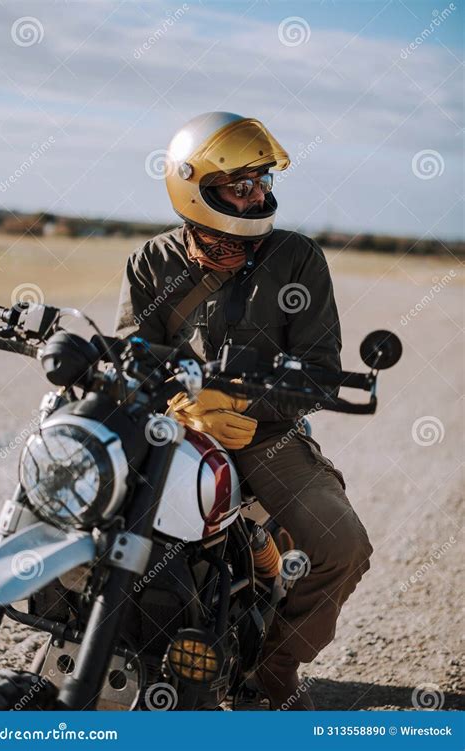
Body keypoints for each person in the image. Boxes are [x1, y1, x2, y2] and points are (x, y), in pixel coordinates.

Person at [114, 111, 373, 710]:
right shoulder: (150, 262)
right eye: (242, 185)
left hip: (268, 435)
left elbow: (317, 368)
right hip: (171, 430)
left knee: (341, 546)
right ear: (196, 188)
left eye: (262, 182)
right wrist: (182, 404)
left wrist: (238, 402)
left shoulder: (297, 258)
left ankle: (271, 674)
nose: (259, 195)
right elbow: (134, 355)